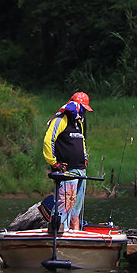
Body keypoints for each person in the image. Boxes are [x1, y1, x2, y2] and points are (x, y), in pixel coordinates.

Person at [43, 91, 92, 231]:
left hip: (80, 170)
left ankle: (75, 232)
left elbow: (81, 141)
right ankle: (56, 232)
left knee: (76, 208)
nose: (83, 112)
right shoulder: (61, 119)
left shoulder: (78, 123)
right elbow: (48, 140)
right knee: (65, 204)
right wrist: (54, 163)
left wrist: (85, 157)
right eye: (82, 109)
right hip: (67, 171)